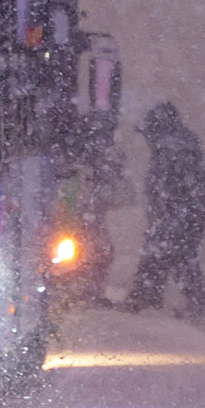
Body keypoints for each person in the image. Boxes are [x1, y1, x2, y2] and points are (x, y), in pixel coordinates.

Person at [124, 103, 205, 317]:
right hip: (185, 214)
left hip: (176, 214)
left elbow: (164, 186)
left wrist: (167, 210)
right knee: (178, 255)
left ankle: (146, 298)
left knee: (164, 252)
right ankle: (151, 298)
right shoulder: (186, 146)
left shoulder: (170, 149)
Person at [54, 111, 132, 308]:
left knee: (94, 251)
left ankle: (78, 292)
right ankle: (77, 292)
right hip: (78, 211)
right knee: (89, 250)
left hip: (80, 210)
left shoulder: (83, 155)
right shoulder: (89, 160)